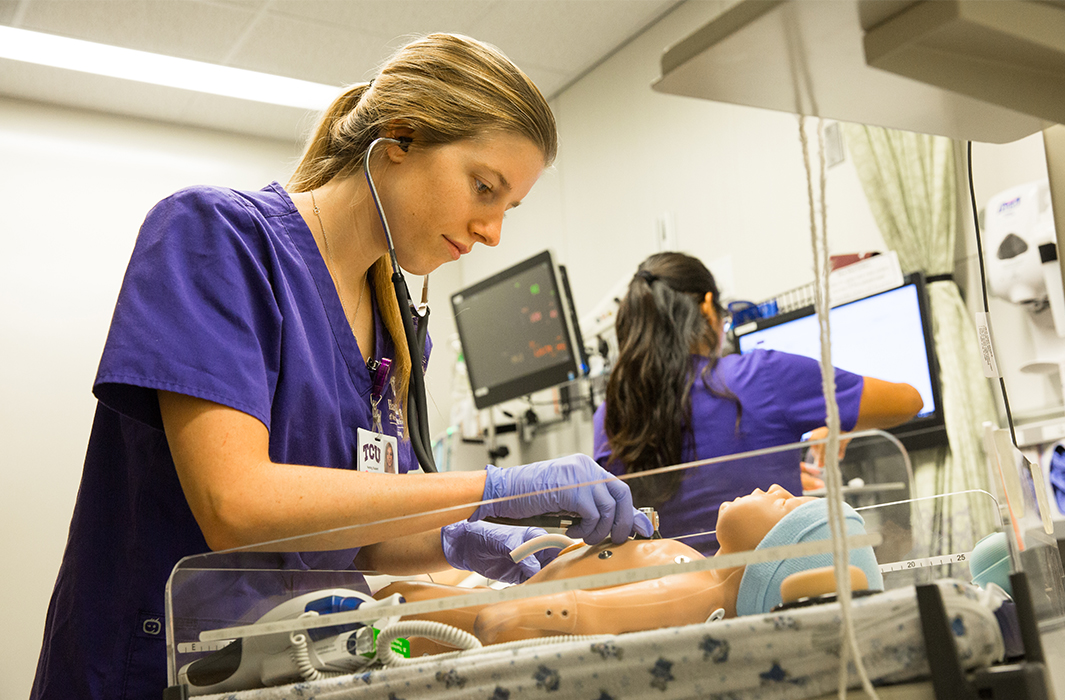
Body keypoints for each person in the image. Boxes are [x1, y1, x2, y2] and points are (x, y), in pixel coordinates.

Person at [31, 34, 650, 700]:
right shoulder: (217, 239)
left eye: (508, 207)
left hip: (305, 672)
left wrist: (470, 538)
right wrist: (493, 487)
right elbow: (233, 503)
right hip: (159, 672)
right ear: (400, 138)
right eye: (483, 187)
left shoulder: (397, 333)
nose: (492, 231)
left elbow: (364, 541)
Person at [593, 252, 924, 553]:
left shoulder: (612, 415)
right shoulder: (764, 374)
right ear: (708, 308)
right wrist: (839, 419)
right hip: (777, 594)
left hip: (675, 603)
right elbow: (908, 400)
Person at [373, 484, 881, 649]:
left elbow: (563, 618)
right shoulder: (695, 567)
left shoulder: (695, 590)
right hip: (499, 600)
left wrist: (513, 610)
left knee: (390, 607)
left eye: (790, 505)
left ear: (774, 560)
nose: (776, 488)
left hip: (465, 627)